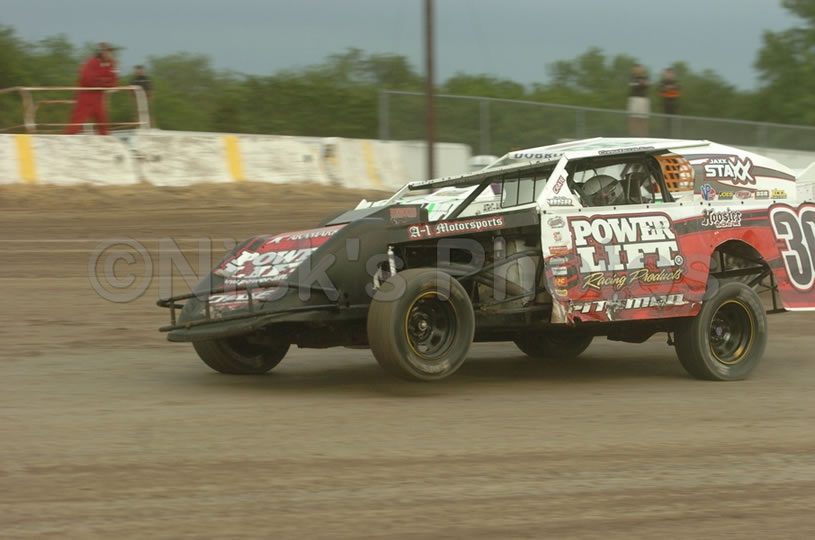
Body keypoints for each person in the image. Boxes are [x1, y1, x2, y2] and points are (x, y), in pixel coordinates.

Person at [65, 43, 119, 135]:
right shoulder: (91, 62)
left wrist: (100, 81)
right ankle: (66, 139)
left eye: (111, 51)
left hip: (99, 97)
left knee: (103, 124)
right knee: (76, 123)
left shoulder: (112, 64)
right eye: (107, 51)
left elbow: (114, 81)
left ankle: (105, 141)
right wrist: (105, 82)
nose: (110, 54)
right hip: (85, 97)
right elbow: (88, 80)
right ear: (101, 52)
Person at [627, 64, 650, 137]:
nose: (638, 70)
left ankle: (644, 137)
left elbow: (646, 85)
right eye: (636, 68)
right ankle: (632, 136)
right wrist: (640, 83)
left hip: (643, 99)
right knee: (633, 118)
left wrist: (640, 83)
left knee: (643, 119)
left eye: (639, 68)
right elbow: (633, 85)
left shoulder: (645, 78)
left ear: (642, 69)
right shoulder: (631, 77)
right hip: (634, 99)